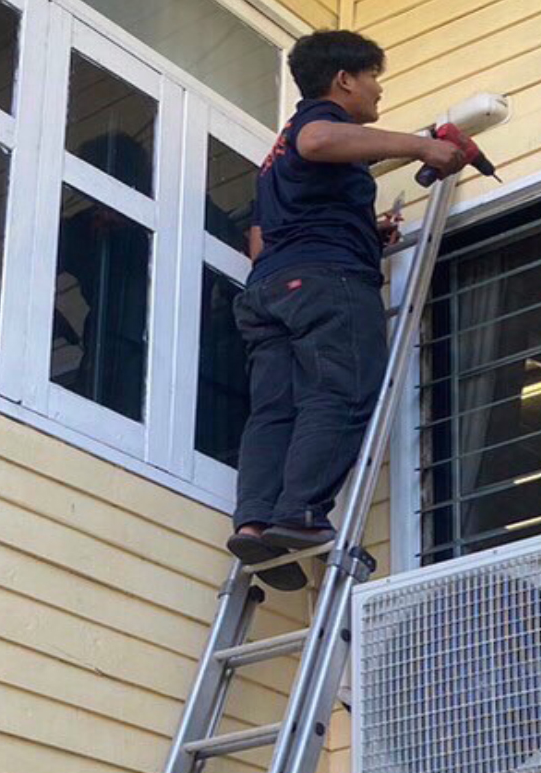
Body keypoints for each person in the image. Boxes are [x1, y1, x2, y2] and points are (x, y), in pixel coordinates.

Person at [229, 30, 470, 591]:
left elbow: (261, 242)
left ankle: (254, 519)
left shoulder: (274, 157)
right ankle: (301, 513)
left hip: (268, 288)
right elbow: (319, 141)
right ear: (344, 80)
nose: (378, 92)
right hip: (324, 283)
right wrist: (422, 147)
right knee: (340, 389)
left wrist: (363, 233)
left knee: (274, 411)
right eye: (373, 79)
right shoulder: (313, 126)